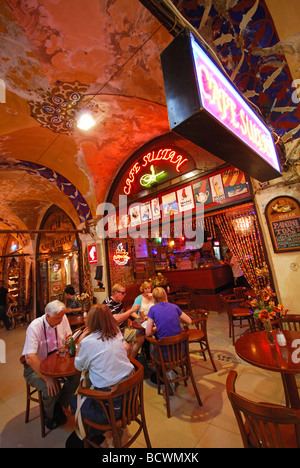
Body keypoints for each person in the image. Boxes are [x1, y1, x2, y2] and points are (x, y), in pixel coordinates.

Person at [72, 304, 134, 444]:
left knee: (74, 402)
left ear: (91, 321)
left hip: (111, 406)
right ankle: (106, 431)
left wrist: (80, 342)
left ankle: (108, 432)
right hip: (129, 398)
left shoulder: (88, 342)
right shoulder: (117, 332)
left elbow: (78, 366)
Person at [22, 300, 80, 430]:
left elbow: (68, 335)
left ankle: (59, 406)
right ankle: (49, 416)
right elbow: (30, 358)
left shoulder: (62, 317)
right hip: (36, 367)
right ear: (47, 316)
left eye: (61, 317)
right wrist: (47, 378)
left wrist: (68, 340)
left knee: (75, 377)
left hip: (56, 362)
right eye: (57, 318)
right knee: (51, 388)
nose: (60, 320)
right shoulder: (35, 327)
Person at [103, 283, 143, 359]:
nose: (125, 295)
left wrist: (127, 319)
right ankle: (124, 364)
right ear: (116, 293)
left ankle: (131, 360)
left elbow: (121, 313)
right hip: (112, 334)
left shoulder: (119, 301)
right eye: (123, 293)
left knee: (140, 336)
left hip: (121, 330)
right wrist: (132, 310)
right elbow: (116, 319)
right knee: (126, 347)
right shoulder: (108, 304)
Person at [132, 281, 155, 362]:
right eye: (145, 289)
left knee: (160, 329)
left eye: (148, 288)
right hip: (142, 320)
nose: (147, 290)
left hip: (154, 319)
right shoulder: (139, 298)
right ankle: (147, 355)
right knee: (144, 333)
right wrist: (139, 317)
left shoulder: (154, 297)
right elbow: (132, 312)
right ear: (143, 290)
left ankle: (158, 353)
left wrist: (154, 297)